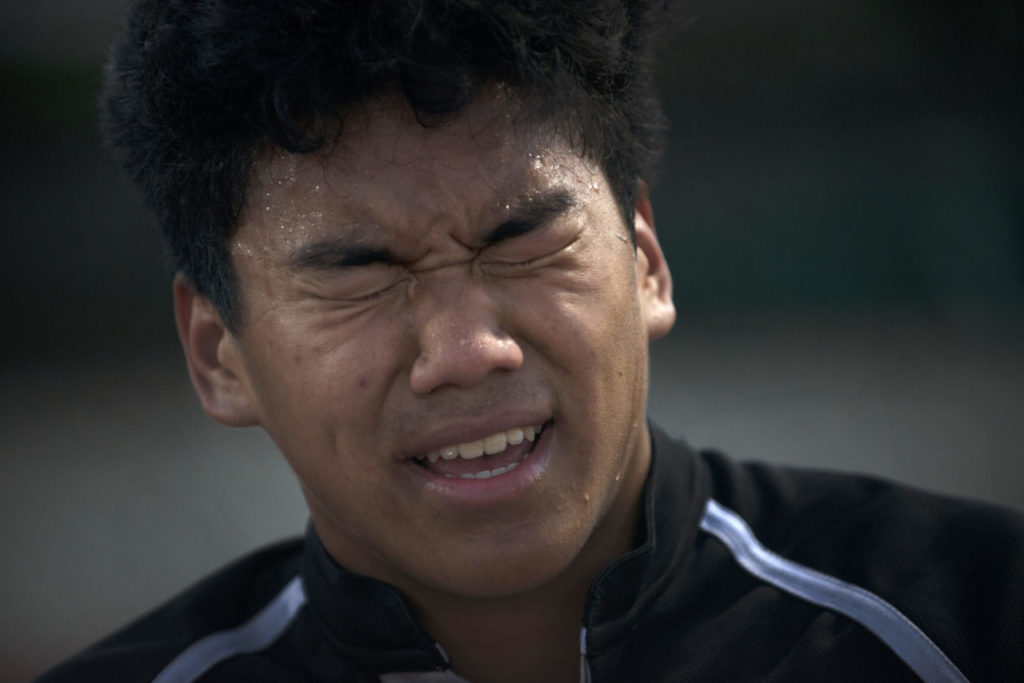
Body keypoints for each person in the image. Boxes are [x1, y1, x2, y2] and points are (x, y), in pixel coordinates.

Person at [39, 1, 1023, 681]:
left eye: (521, 240)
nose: (469, 349)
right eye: (359, 272)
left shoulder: (970, 621)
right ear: (219, 352)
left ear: (645, 260)